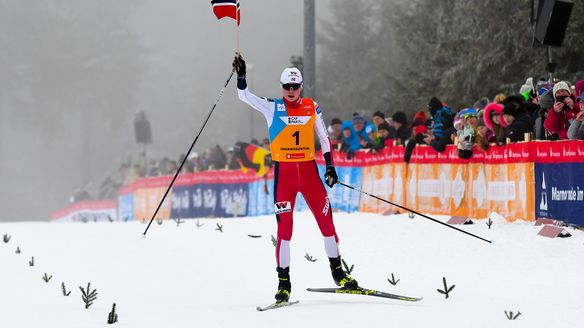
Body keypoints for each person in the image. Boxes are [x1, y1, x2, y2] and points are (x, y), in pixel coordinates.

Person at [233, 54, 358, 303]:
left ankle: (338, 273)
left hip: (310, 175)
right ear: (282, 88)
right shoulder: (272, 107)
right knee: (285, 231)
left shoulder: (312, 106)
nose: (291, 91)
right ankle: (284, 283)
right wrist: (242, 76)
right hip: (285, 178)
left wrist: (330, 166)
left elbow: (324, 138)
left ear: (301, 87)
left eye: (295, 86)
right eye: (286, 87)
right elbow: (244, 96)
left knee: (327, 226)